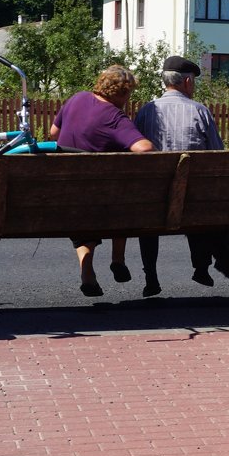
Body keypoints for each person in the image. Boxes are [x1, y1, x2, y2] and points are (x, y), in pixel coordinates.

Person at [131, 55, 229, 296]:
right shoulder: (200, 112)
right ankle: (201, 267)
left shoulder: (147, 111)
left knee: (149, 223)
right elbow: (218, 154)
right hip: (192, 196)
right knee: (198, 202)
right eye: (194, 82)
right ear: (187, 82)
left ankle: (151, 278)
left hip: (154, 195)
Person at [50, 65, 153, 297]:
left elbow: (53, 134)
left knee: (85, 218)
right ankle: (118, 258)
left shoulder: (76, 98)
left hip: (67, 193)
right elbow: (144, 148)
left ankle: (87, 272)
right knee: (125, 198)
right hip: (103, 197)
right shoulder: (114, 116)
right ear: (124, 92)